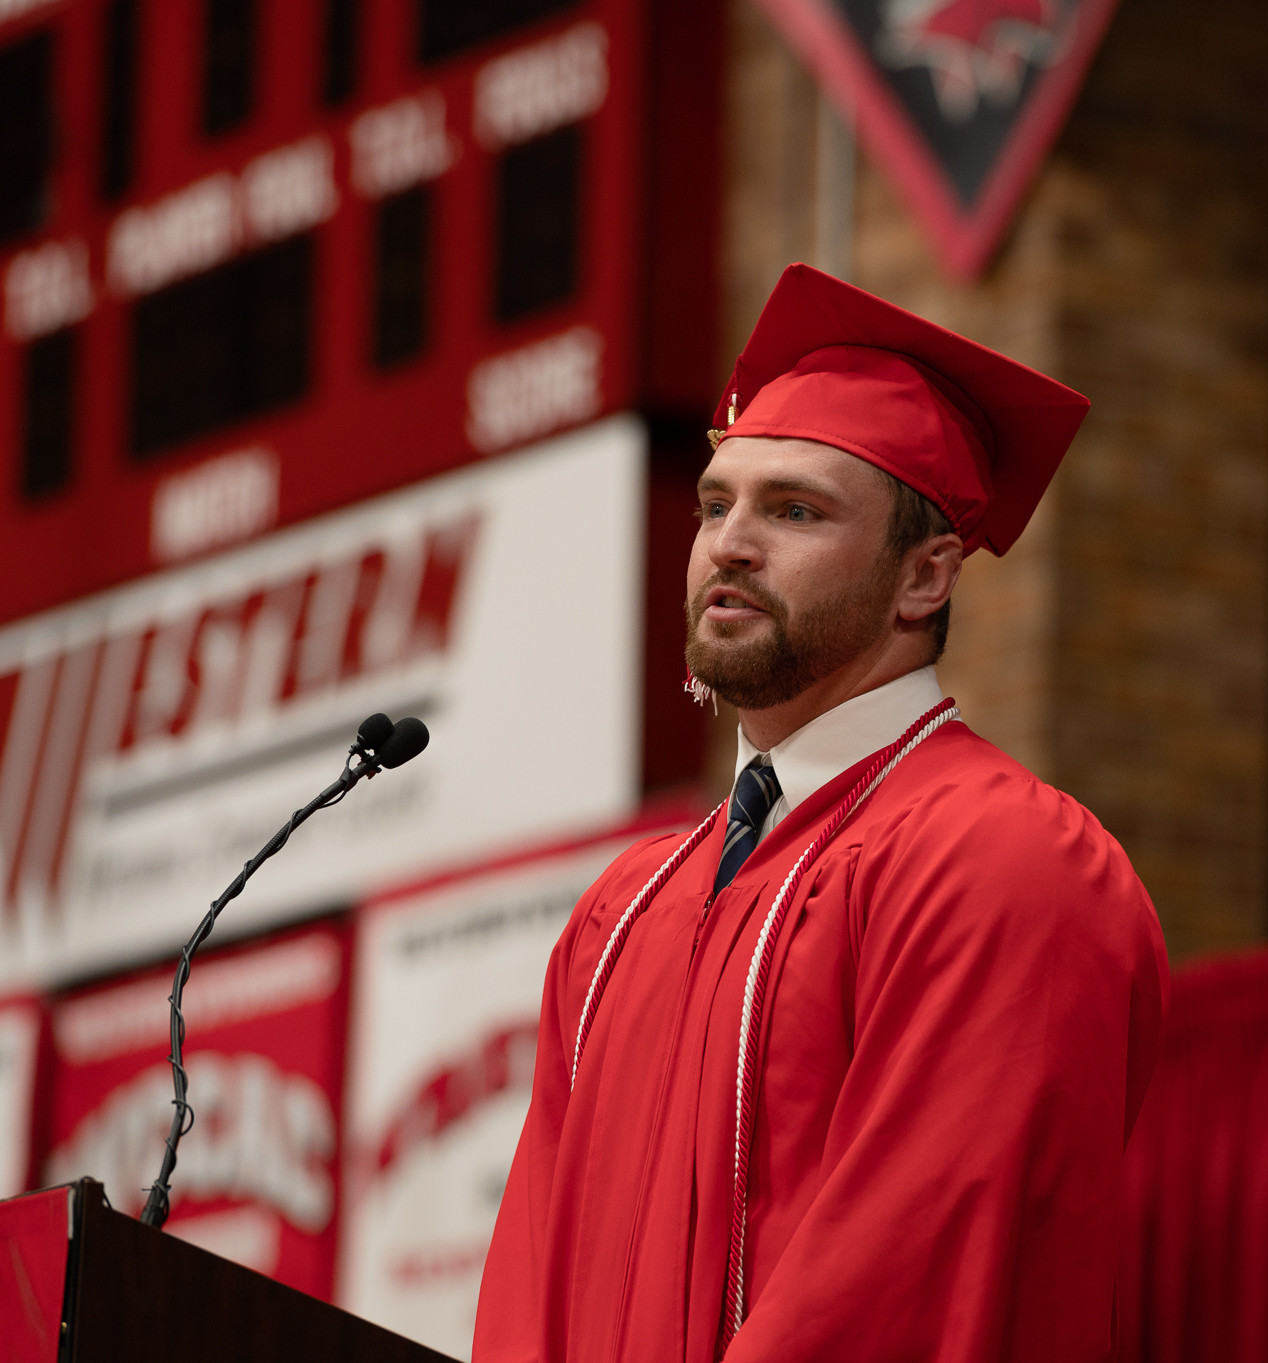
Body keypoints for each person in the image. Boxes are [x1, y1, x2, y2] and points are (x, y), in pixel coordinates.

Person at [473, 264, 1169, 1363]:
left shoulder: (998, 857)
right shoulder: (624, 910)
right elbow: (529, 1282)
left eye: (793, 509)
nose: (727, 544)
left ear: (925, 577)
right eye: (715, 504)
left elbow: (905, 1282)